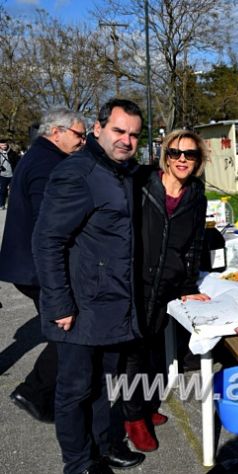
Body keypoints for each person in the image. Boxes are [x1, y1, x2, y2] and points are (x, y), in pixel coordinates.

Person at [32, 99, 146, 474]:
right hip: (79, 306)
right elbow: (47, 240)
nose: (126, 140)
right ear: (97, 129)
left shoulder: (121, 172)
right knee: (74, 390)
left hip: (111, 302)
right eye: (119, 131)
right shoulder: (76, 173)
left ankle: (101, 448)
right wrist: (59, 303)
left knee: (101, 385)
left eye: (133, 134)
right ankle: (78, 464)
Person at [122, 129, 210, 452]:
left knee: (155, 351)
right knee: (134, 353)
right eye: (176, 153)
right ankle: (132, 418)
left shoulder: (197, 194)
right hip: (137, 282)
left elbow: (196, 243)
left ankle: (145, 407)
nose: (183, 159)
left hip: (169, 284)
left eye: (190, 154)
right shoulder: (144, 183)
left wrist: (188, 284)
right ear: (165, 155)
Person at [0, 108, 86, 423]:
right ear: (56, 132)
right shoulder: (47, 164)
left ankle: (40, 391)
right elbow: (48, 225)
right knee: (70, 332)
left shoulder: (40, 155)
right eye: (79, 134)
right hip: (36, 268)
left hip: (28, 265)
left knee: (64, 333)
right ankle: (35, 392)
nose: (82, 141)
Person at [0, 137, 20, 209]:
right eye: (2, 145)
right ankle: (2, 204)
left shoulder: (12, 153)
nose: (4, 146)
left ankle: (12, 205)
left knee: (13, 191)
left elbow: (18, 162)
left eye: (5, 145)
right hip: (2, 175)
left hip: (12, 175)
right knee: (2, 190)